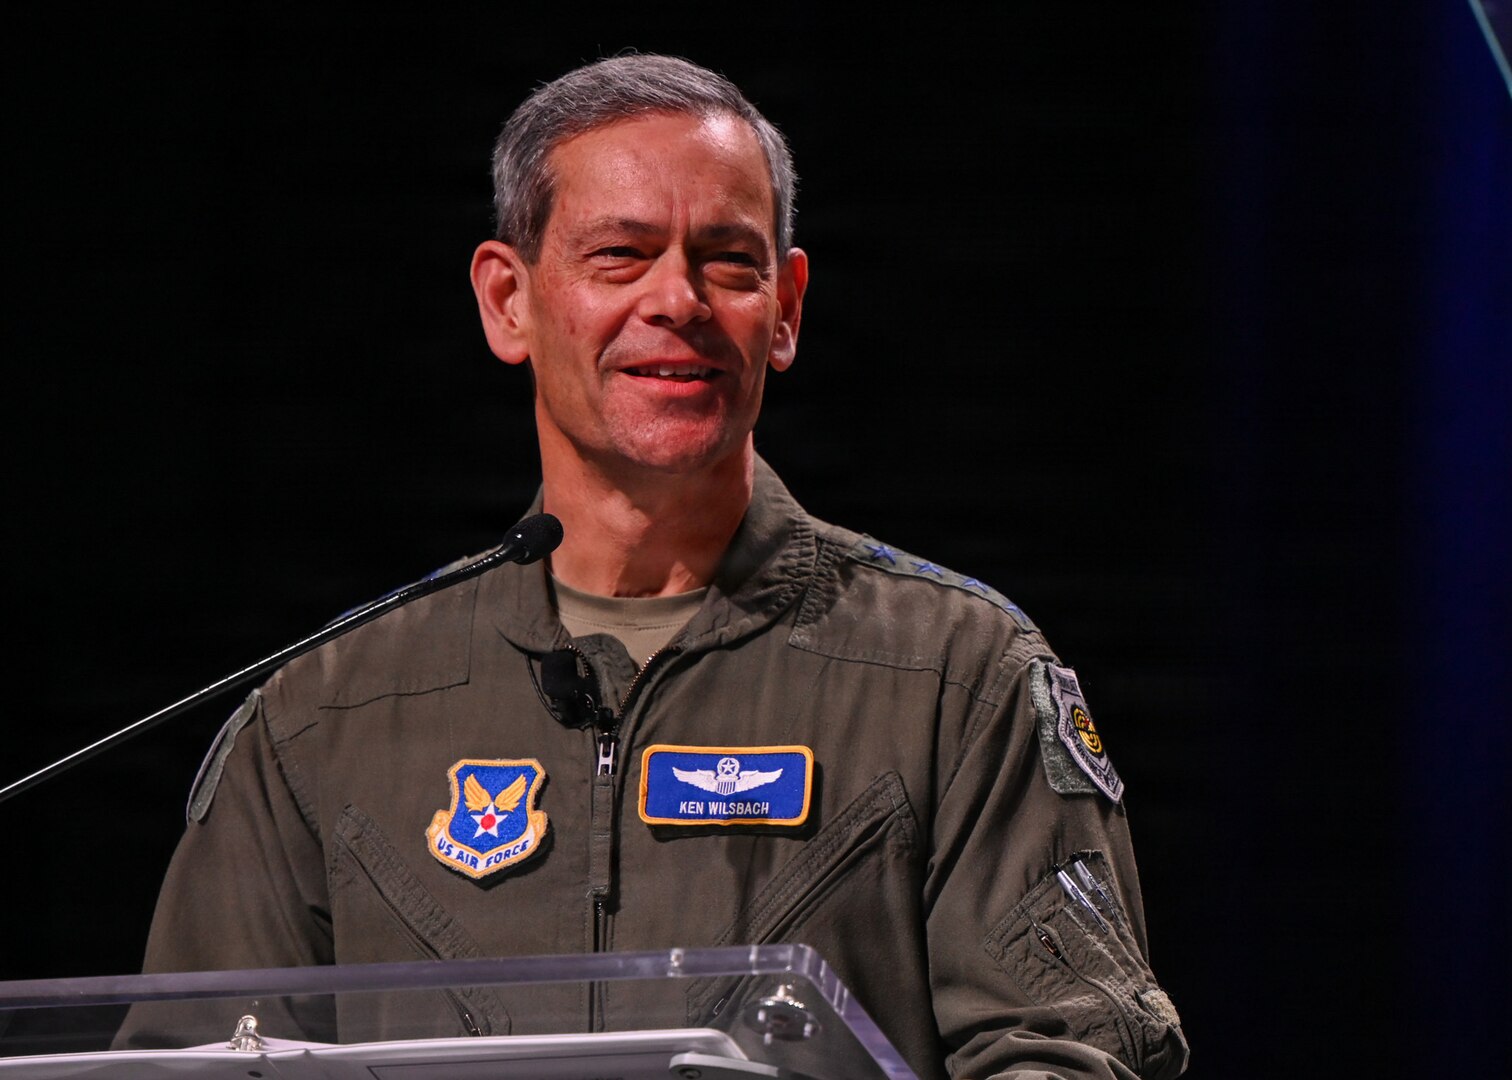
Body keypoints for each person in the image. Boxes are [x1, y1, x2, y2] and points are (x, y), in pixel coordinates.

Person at [120, 55, 1189, 1079]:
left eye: (730, 261)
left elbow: (1066, 1056)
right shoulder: (324, 716)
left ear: (788, 311)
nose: (678, 300)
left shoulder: (957, 677)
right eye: (619, 255)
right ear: (509, 301)